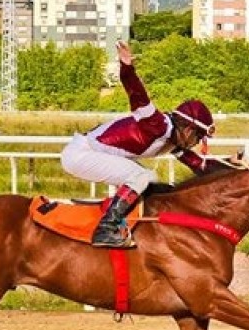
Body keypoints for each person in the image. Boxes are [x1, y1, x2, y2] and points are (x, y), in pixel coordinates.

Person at [60, 41, 216, 248]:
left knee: (152, 183)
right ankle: (106, 229)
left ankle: (129, 225)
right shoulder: (157, 124)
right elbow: (137, 94)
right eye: (198, 137)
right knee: (143, 176)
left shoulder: (172, 140)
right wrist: (126, 67)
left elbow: (199, 166)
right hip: (81, 154)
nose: (196, 143)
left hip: (91, 152)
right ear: (188, 129)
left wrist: (234, 167)